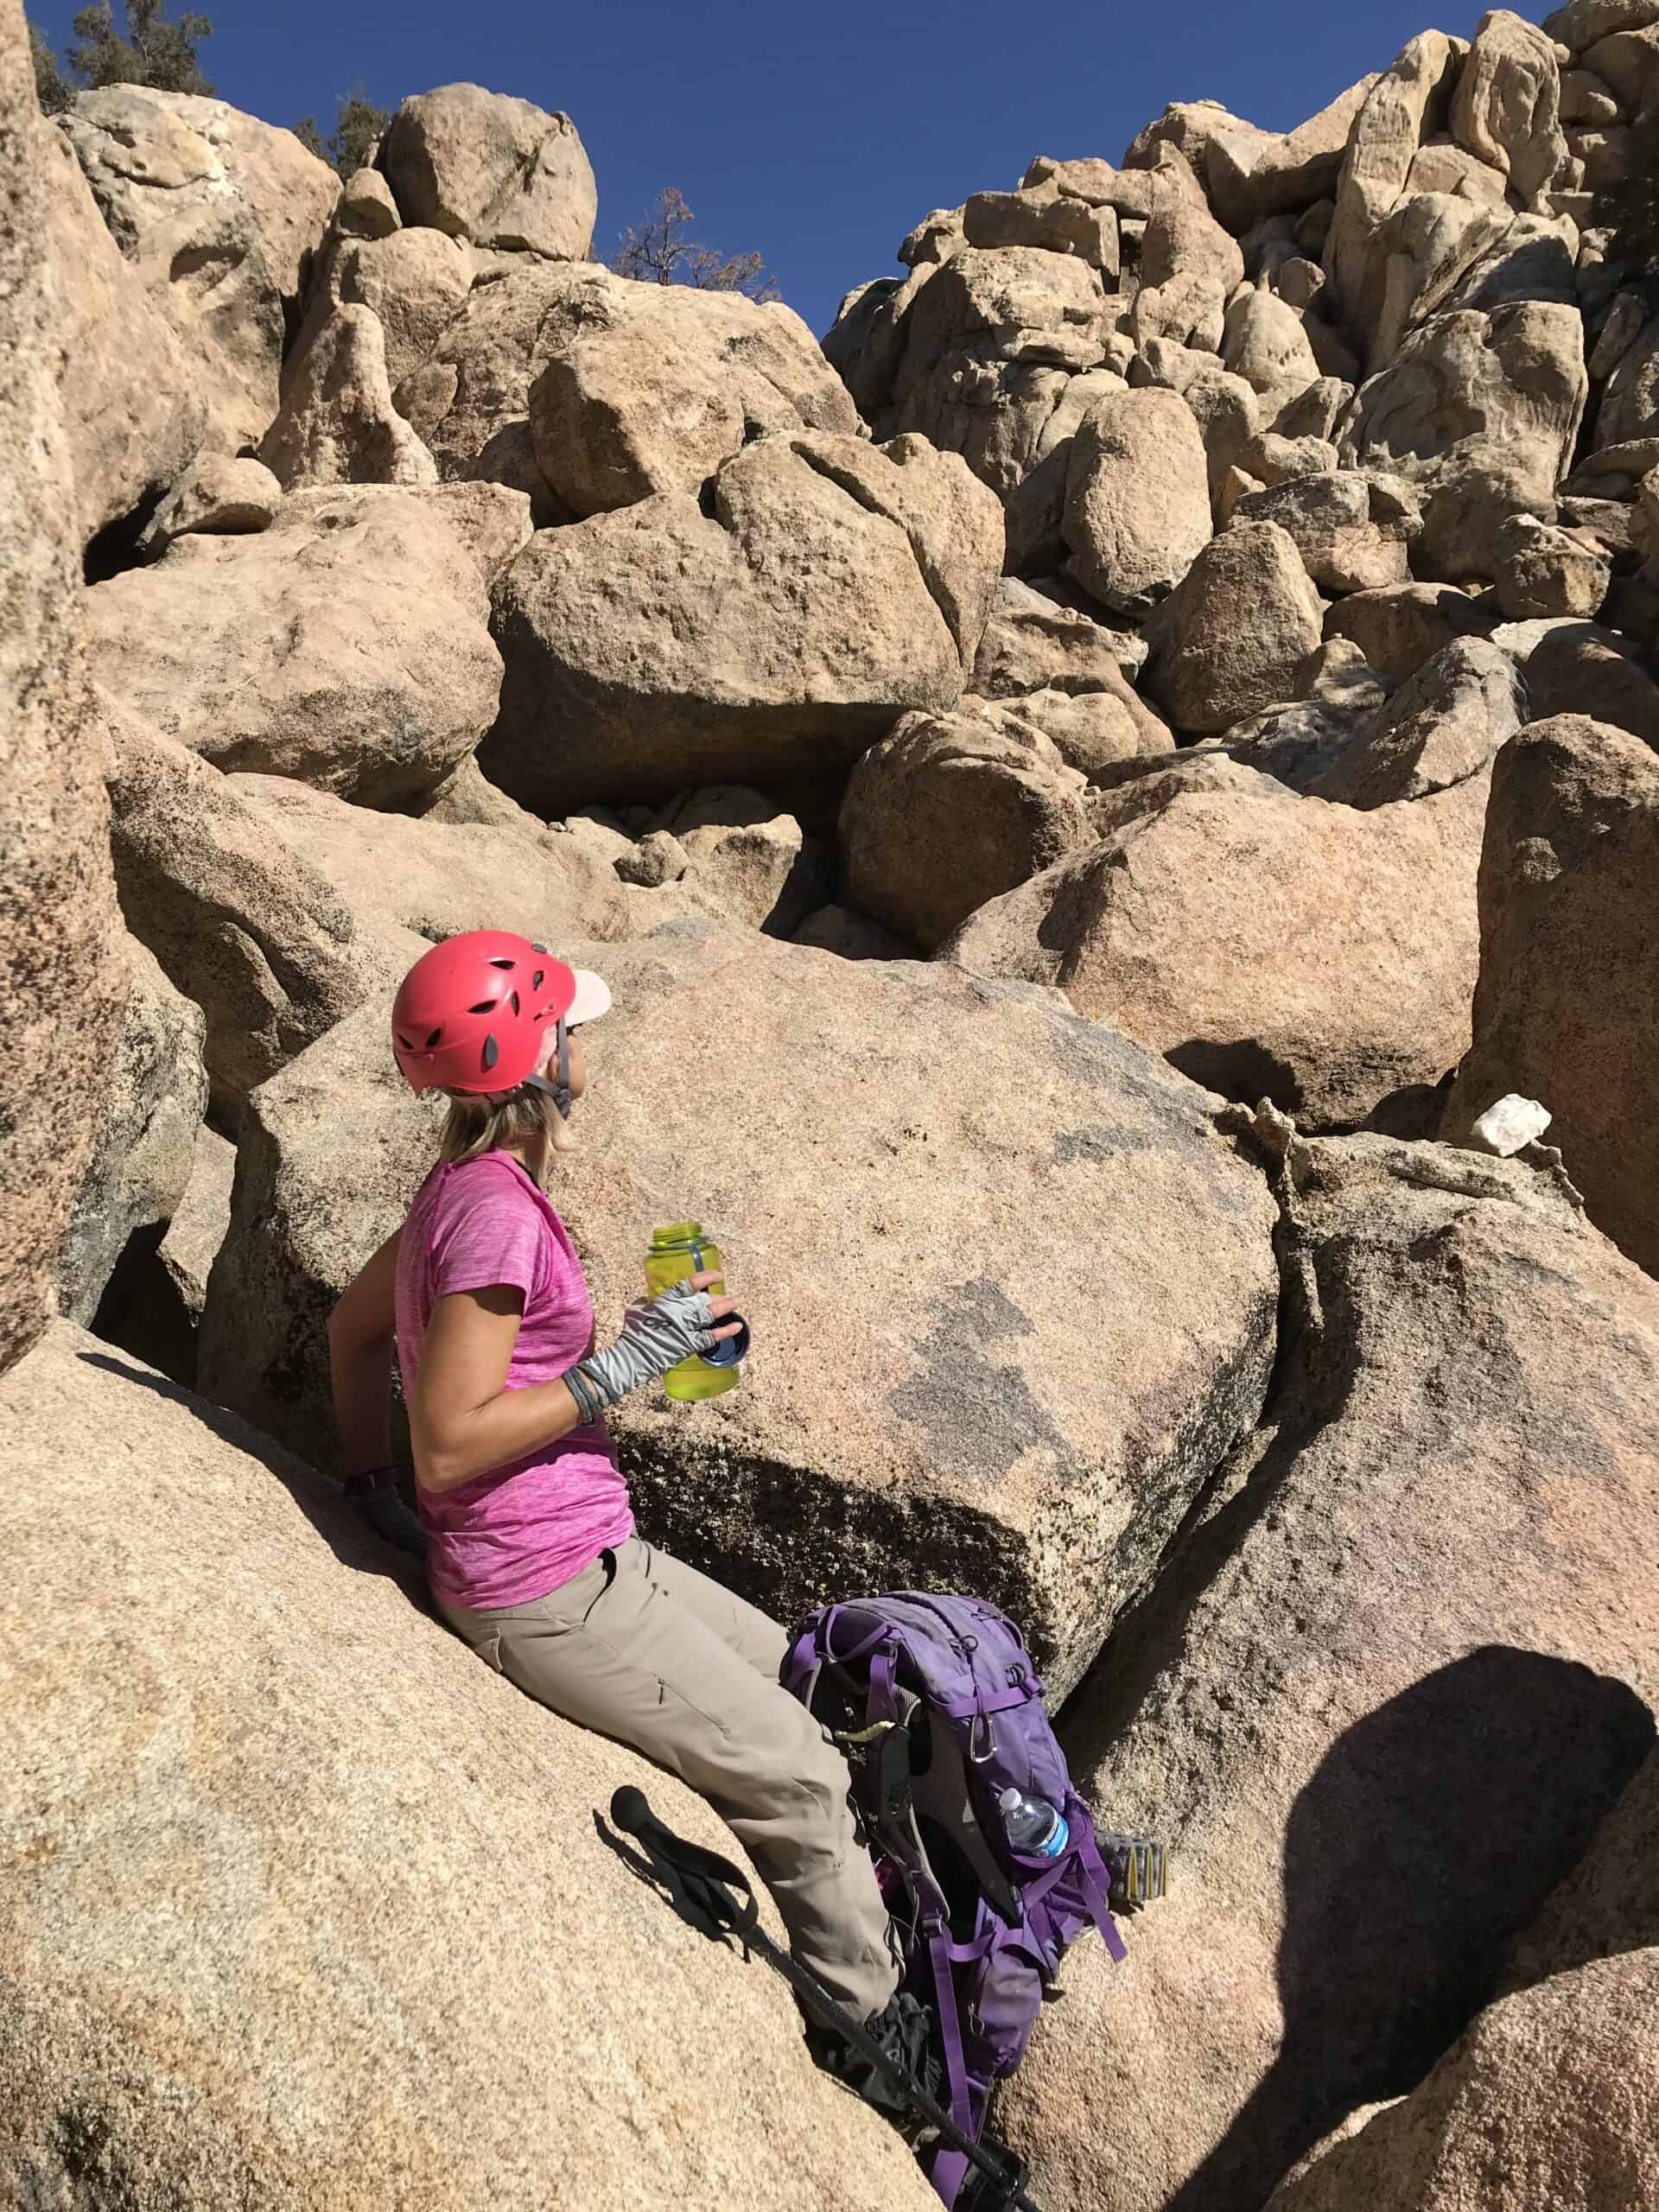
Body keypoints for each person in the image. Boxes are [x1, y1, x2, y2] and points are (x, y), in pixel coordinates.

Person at [327, 929, 918, 2086]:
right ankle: (881, 2062)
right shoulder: (493, 1216)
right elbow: (450, 1447)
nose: (587, 1037)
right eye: (572, 1025)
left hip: (588, 1547)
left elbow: (354, 1337)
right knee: (797, 1768)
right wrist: (619, 1368)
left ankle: (885, 1900)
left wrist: (366, 1492)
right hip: (540, 1585)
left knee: (814, 1681)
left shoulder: (469, 1185)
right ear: (534, 1055)